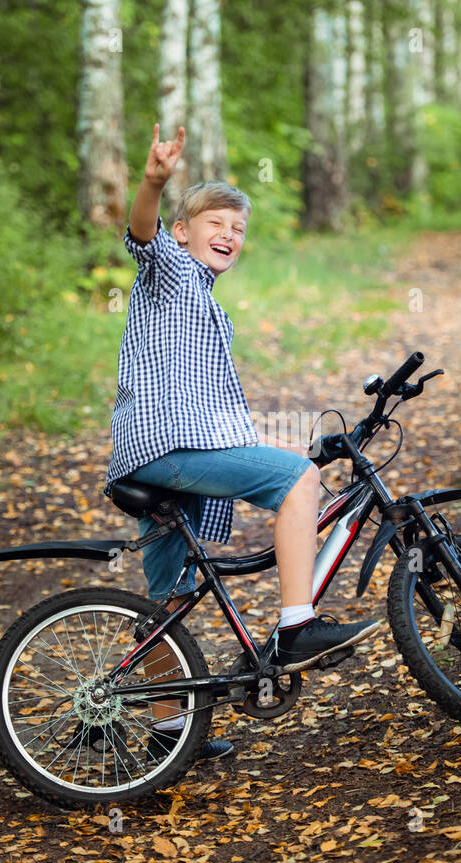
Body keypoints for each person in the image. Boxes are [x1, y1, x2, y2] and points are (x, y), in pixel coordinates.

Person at [100, 124, 381, 760]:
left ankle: (168, 731)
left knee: (169, 598)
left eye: (239, 229)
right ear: (183, 233)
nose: (229, 234)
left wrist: (292, 438)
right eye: (216, 223)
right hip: (169, 449)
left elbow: (216, 410)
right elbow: (140, 234)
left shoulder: (207, 305)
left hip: (172, 453)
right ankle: (296, 626)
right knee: (297, 482)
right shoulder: (168, 273)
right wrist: (153, 182)